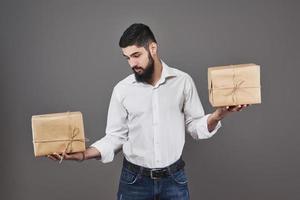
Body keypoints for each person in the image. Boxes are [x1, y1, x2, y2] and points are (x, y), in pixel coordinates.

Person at [48, 23, 249, 200]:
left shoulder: (182, 82)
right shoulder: (122, 90)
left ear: (153, 48)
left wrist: (219, 114)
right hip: (134, 181)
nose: (132, 64)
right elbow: (115, 137)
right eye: (127, 58)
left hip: (174, 180)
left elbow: (195, 127)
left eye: (136, 55)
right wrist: (83, 154)